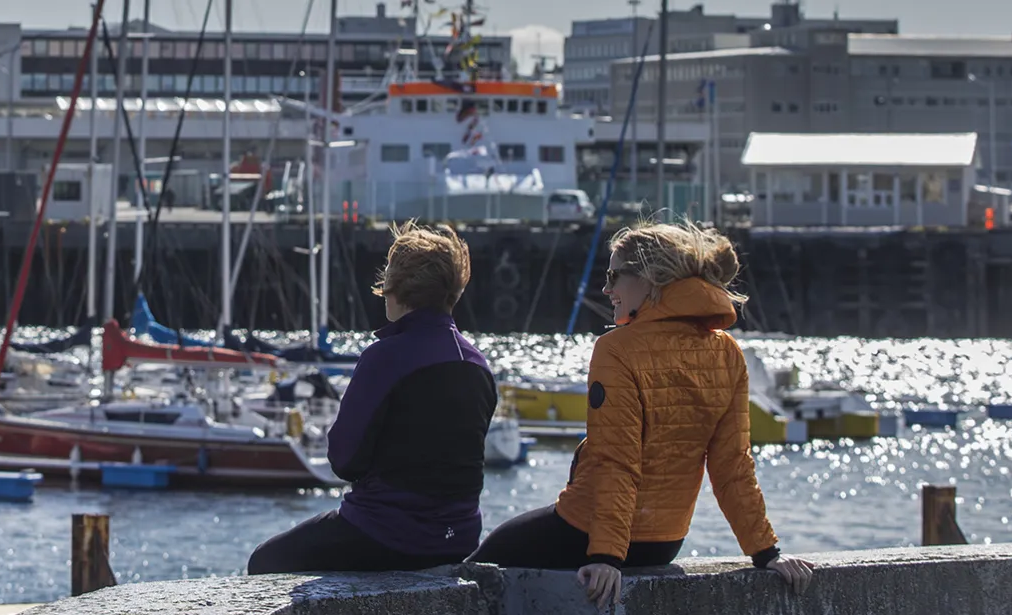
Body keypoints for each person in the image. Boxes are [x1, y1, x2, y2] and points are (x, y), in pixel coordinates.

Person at [467, 222, 815, 605]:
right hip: (664, 543)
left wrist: (605, 557)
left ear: (651, 278)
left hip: (591, 533)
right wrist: (766, 553)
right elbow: (733, 465)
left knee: (472, 573)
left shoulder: (617, 348)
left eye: (613, 275)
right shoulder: (727, 351)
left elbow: (617, 459)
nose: (606, 289)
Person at [247, 222, 497, 574]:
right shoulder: (477, 364)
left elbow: (343, 460)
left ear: (395, 289)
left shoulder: (385, 356)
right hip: (459, 538)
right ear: (453, 291)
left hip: (387, 534)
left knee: (265, 562)